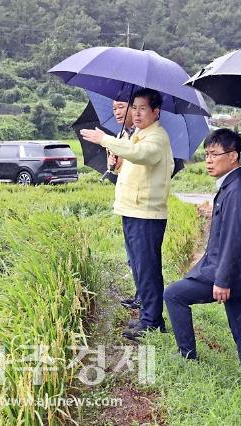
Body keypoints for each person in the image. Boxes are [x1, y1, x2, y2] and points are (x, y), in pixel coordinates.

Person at [163, 128, 241, 386]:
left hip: (229, 275)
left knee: (174, 294)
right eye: (206, 154)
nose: (208, 160)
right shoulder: (233, 185)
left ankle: (187, 355)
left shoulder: (237, 192)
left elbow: (233, 241)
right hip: (239, 275)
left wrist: (222, 280)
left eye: (214, 154)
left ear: (233, 156)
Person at [80, 88, 172, 341]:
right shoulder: (138, 136)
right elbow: (133, 167)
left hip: (146, 213)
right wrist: (116, 166)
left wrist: (105, 139)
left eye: (143, 108)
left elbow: (143, 156)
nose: (137, 113)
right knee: (141, 267)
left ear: (156, 111)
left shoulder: (157, 138)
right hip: (132, 210)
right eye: (135, 108)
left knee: (148, 268)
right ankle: (147, 316)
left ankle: (152, 322)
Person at [106, 100, 141, 310]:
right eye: (114, 109)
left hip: (139, 205)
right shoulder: (123, 135)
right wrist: (114, 164)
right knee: (132, 255)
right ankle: (140, 294)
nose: (117, 112)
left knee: (140, 255)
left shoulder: (139, 136)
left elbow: (139, 161)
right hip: (126, 204)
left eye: (121, 106)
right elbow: (121, 170)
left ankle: (145, 300)